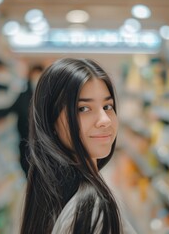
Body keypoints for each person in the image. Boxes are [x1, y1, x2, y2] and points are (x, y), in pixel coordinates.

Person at [20, 58, 136, 234]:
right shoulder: (92, 210)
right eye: (83, 109)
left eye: (107, 106)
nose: (105, 120)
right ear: (51, 122)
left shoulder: (51, 192)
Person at [12, 64, 44, 177]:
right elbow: (11, 109)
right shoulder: (23, 97)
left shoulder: (46, 98)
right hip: (26, 145)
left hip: (42, 148)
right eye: (34, 78)